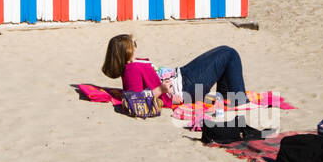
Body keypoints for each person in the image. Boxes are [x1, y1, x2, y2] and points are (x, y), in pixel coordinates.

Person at [101, 34, 250, 111]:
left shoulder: (132, 65)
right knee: (229, 54)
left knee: (225, 51)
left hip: (183, 75)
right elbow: (135, 99)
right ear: (125, 52)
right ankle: (238, 100)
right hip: (186, 87)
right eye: (133, 45)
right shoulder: (130, 70)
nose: (136, 47)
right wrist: (164, 93)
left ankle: (227, 96)